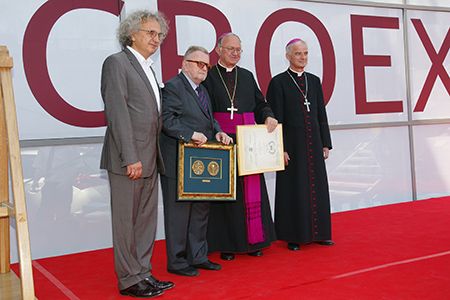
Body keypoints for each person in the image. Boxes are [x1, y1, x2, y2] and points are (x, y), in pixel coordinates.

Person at [100, 10, 174, 298]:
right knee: (126, 223)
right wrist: (130, 157)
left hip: (150, 157)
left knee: (145, 221)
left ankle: (143, 273)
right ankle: (129, 279)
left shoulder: (148, 67)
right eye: (150, 33)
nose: (156, 39)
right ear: (132, 34)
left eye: (159, 34)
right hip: (128, 160)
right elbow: (118, 114)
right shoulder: (117, 63)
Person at [203, 33, 277, 261]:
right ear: (218, 50)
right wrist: (216, 131)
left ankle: (254, 241)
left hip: (247, 141)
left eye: (238, 49)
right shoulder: (209, 76)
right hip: (221, 140)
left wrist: (268, 116)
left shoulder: (246, 76)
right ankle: (228, 243)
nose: (235, 53)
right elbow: (204, 108)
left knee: (249, 193)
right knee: (226, 194)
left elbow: (260, 103)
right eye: (230, 48)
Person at [160, 46, 233, 276]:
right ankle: (178, 261)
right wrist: (190, 135)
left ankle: (199, 256)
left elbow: (210, 120)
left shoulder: (202, 90)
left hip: (200, 162)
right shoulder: (173, 87)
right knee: (179, 214)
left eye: (206, 65)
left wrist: (219, 132)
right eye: (198, 63)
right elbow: (166, 120)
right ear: (185, 64)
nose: (203, 68)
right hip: (178, 162)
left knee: (201, 210)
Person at [266, 38, 334, 251]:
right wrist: (280, 148)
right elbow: (275, 118)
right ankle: (293, 235)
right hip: (292, 146)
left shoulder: (314, 81)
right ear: (288, 56)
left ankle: (321, 233)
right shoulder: (278, 82)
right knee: (293, 189)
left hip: (314, 143)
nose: (302, 57)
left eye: (305, 53)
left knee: (318, 187)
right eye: (298, 54)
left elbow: (320, 114)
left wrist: (325, 143)